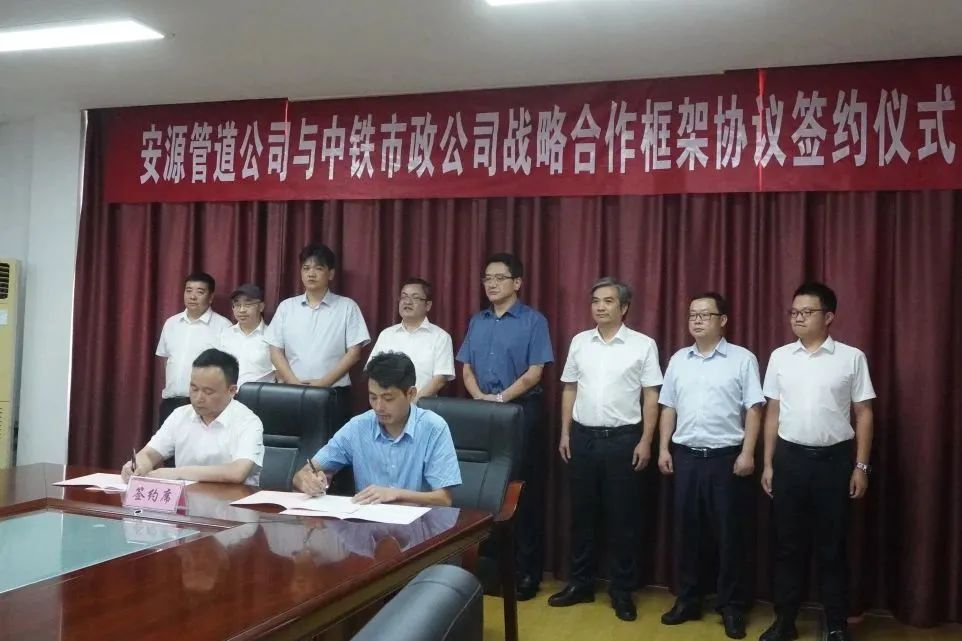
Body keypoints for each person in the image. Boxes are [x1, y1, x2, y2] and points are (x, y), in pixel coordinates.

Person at [759, 282, 876, 641]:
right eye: (794, 312)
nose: (798, 318)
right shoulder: (780, 357)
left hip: (834, 462)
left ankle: (836, 624)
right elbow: (772, 412)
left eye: (806, 312)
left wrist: (861, 467)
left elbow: (864, 413)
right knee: (787, 546)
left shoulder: (851, 357)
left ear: (828, 317)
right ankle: (785, 621)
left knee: (833, 547)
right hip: (790, 460)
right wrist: (768, 463)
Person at [549, 277, 662, 621]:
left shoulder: (643, 345)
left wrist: (646, 440)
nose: (600, 306)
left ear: (624, 307)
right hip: (582, 438)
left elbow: (651, 396)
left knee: (623, 519)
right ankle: (580, 584)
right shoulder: (580, 342)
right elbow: (569, 389)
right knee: (581, 516)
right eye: (595, 300)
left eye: (608, 301)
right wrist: (565, 433)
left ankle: (622, 590)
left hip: (624, 440)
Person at [657, 292, 765, 639]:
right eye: (693, 315)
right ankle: (688, 599)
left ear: (723, 320)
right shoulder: (679, 359)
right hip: (686, 457)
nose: (698, 320)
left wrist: (748, 453)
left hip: (727, 459)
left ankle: (731, 606)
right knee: (688, 533)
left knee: (730, 536)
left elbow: (754, 408)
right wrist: (663, 448)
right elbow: (668, 406)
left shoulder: (742, 359)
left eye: (705, 314)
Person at [456, 252, 554, 600]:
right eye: (487, 278)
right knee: (484, 492)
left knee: (520, 493)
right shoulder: (478, 320)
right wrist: (480, 398)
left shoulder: (533, 321)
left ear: (517, 282)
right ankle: (488, 571)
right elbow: (466, 367)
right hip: (482, 412)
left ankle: (526, 574)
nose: (492, 284)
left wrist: (499, 399)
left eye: (499, 278)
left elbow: (535, 372)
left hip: (519, 411)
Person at [292, 351, 461, 507]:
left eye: (388, 398)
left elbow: (443, 499)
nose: (379, 407)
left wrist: (395, 494)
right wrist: (307, 481)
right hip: (367, 522)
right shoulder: (358, 427)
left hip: (419, 524)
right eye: (373, 397)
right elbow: (304, 473)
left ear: (410, 394)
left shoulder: (433, 428)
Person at [124, 348, 265, 486]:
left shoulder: (248, 422)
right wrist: (139, 465)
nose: (198, 398)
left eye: (208, 392)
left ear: (232, 390)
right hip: (186, 499)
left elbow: (237, 472)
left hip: (232, 499)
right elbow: (149, 454)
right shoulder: (180, 415)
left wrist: (177, 473)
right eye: (194, 389)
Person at [265, 242, 370, 421]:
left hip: (334, 393)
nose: (311, 273)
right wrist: (293, 383)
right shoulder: (286, 307)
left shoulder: (347, 307)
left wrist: (323, 384)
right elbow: (275, 350)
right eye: (306, 268)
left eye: (318, 268)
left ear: (331, 273)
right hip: (291, 392)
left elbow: (354, 353)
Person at [155, 272, 232, 427]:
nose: (192, 296)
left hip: (205, 406)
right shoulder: (171, 323)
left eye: (200, 292)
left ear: (210, 297)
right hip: (171, 403)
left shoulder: (224, 327)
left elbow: (227, 370)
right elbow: (167, 360)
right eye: (188, 290)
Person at [367, 277, 455, 399]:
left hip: (422, 407)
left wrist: (411, 404)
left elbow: (440, 379)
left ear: (428, 305)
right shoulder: (386, 335)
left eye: (415, 297)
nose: (407, 302)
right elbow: (372, 371)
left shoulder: (441, 337)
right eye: (404, 297)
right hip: (385, 406)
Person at [219, 283, 275, 387]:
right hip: (227, 394)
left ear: (261, 307)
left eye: (248, 305)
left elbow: (280, 375)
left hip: (259, 394)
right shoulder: (225, 334)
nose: (242, 310)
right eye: (237, 305)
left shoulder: (272, 336)